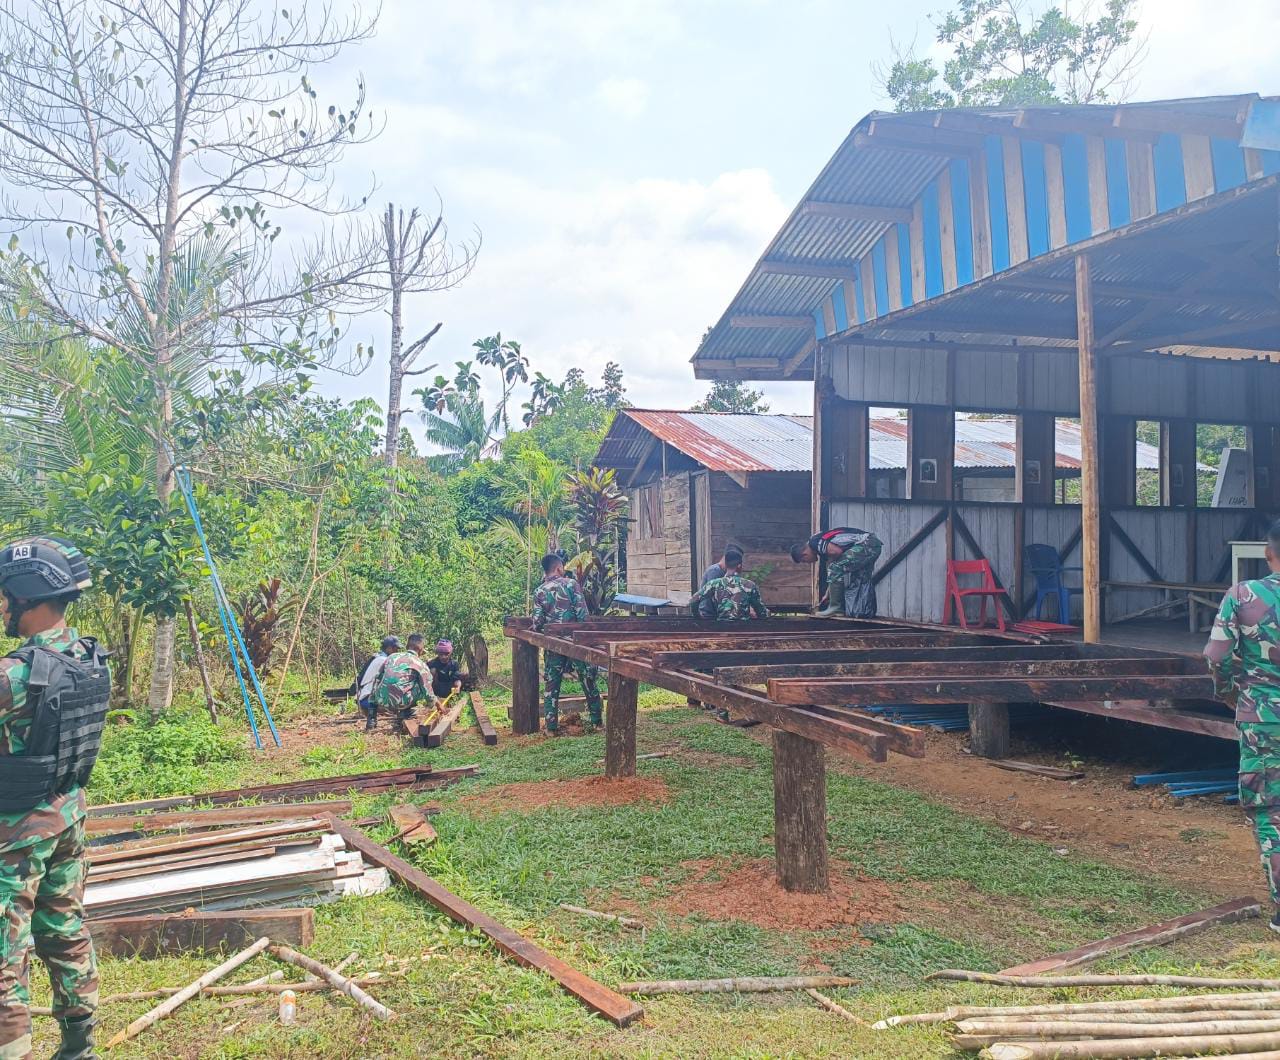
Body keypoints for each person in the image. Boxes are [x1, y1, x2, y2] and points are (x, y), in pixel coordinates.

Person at [0, 537, 108, 1060]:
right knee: (63, 924)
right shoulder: (86, 655)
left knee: (5, 949)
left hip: (16, 833)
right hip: (67, 815)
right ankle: (79, 1042)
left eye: (5, 595)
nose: (1, 605)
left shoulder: (15, 674)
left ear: (26, 595)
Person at [1205, 518, 1280, 932]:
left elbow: (1216, 657)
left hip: (1262, 719)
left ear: (1268, 553)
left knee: (1272, 810)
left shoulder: (1243, 595)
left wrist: (1229, 691)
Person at [532, 553, 603, 733]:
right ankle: (597, 722)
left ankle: (551, 727)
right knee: (588, 680)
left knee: (552, 684)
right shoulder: (571, 584)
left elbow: (538, 622)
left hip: (554, 644)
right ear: (559, 568)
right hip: (576, 642)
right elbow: (582, 614)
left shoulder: (540, 591)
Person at [790, 527, 883, 618]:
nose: (808, 563)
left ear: (804, 555)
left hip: (866, 544)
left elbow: (836, 552)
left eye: (805, 561)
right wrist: (829, 593)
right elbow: (834, 575)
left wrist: (834, 598)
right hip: (873, 544)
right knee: (861, 579)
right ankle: (864, 611)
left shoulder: (815, 543)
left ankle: (836, 608)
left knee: (835, 567)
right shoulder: (818, 541)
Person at [372, 632, 437, 734]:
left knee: (378, 681)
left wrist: (376, 697)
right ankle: (406, 712)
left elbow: (377, 678)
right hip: (401, 701)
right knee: (423, 682)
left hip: (381, 699)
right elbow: (427, 690)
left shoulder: (391, 657)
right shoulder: (420, 664)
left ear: (407, 646)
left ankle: (371, 722)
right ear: (421, 649)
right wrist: (433, 705)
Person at [690, 548, 769, 622]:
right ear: (739, 565)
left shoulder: (714, 584)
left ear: (726, 564)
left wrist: (698, 617)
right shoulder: (749, 585)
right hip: (744, 628)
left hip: (722, 628)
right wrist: (766, 615)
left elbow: (694, 600)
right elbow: (761, 611)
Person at [356, 635, 400, 732]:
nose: (397, 652)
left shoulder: (377, 657)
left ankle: (372, 721)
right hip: (367, 700)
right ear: (389, 648)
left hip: (363, 697)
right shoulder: (383, 660)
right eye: (395, 649)